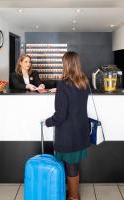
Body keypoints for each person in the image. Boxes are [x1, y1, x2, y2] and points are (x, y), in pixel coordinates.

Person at [45, 51, 91, 200]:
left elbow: (60, 116)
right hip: (81, 132)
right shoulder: (84, 81)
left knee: (70, 168)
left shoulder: (63, 85)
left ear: (66, 64)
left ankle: (73, 197)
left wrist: (47, 122)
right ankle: (73, 195)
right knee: (74, 167)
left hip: (68, 135)